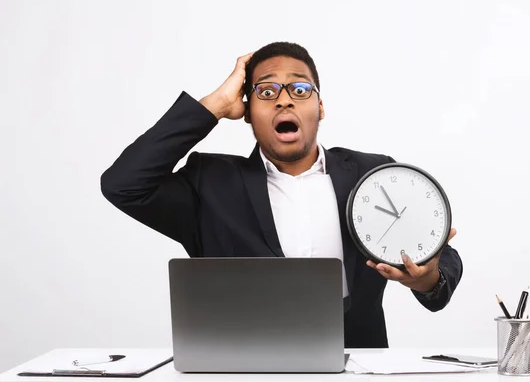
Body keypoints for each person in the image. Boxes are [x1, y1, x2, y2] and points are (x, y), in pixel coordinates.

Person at [100, 41, 463, 348]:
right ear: (247, 112)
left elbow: (441, 257)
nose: (284, 101)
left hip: (354, 367)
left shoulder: (373, 176)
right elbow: (124, 184)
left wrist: (427, 278)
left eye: (300, 90)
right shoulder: (209, 184)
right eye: (267, 91)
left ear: (320, 107)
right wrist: (212, 106)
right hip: (246, 368)